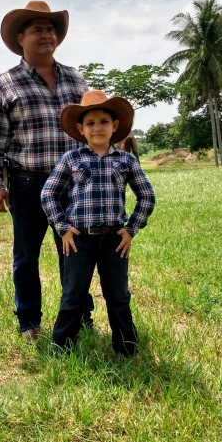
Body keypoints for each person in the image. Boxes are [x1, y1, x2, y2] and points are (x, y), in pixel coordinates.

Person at [0, 0, 95, 341]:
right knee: (26, 257)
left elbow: (91, 129)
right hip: (27, 183)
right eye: (37, 30)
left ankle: (79, 316)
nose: (47, 35)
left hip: (72, 185)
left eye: (51, 29)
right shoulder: (6, 83)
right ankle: (28, 321)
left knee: (75, 254)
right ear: (20, 38)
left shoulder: (76, 79)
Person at [40, 90, 156, 356]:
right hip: (80, 238)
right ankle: (62, 349)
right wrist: (62, 227)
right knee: (73, 295)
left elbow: (147, 195)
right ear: (81, 129)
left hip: (115, 240)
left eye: (104, 121)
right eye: (90, 123)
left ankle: (126, 348)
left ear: (115, 127)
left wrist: (131, 230)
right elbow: (48, 193)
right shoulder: (72, 159)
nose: (97, 127)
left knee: (118, 296)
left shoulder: (125, 160)